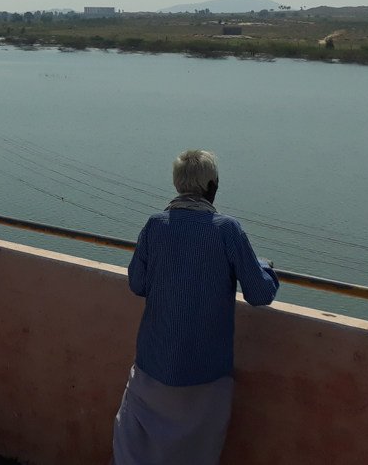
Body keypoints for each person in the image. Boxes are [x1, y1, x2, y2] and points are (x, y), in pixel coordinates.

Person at [111, 149, 279, 465]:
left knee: (135, 450)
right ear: (212, 186)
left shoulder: (155, 225)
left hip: (153, 365)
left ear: (178, 185)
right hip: (205, 375)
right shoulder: (227, 230)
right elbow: (259, 294)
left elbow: (137, 284)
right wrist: (264, 267)